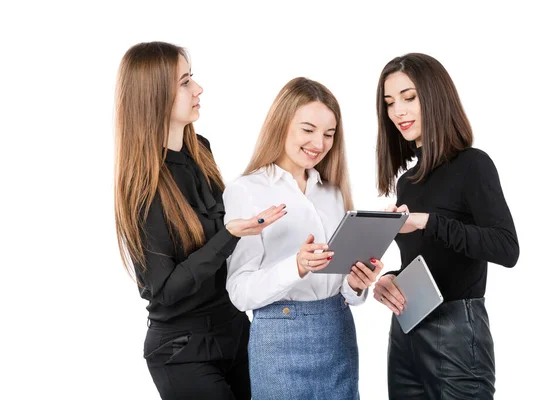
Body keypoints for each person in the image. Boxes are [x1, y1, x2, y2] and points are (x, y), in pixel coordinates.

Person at [113, 41, 286, 400]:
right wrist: (230, 235)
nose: (198, 89)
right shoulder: (142, 187)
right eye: (185, 81)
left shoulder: (200, 150)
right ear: (154, 94)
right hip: (183, 352)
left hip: (236, 332)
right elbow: (165, 290)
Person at [223, 77, 382, 399]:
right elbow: (239, 293)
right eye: (308, 130)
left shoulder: (334, 192)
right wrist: (296, 265)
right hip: (278, 339)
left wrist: (356, 284)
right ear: (282, 124)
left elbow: (346, 292)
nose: (319, 143)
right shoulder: (246, 191)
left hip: (338, 332)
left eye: (329, 134)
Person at [372, 53, 520, 399]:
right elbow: (426, 259)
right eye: (390, 103)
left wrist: (428, 222)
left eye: (409, 97)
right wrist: (392, 278)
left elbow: (506, 247)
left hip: (456, 334)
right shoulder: (407, 182)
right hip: (406, 328)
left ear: (435, 96)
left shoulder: (473, 165)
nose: (398, 112)